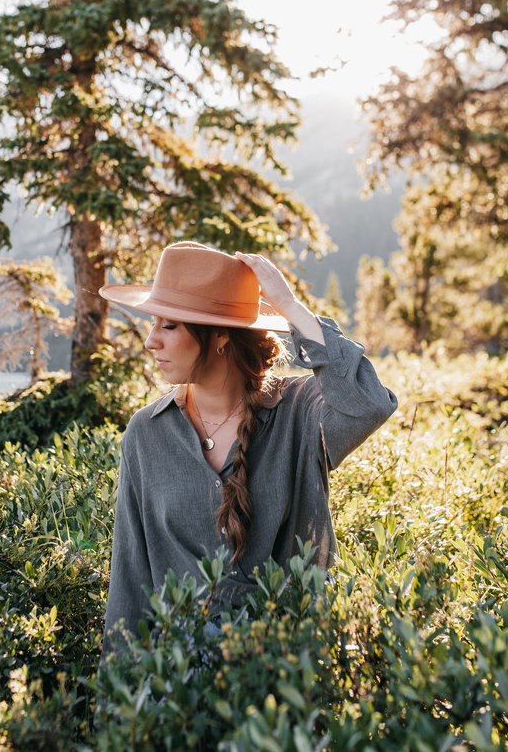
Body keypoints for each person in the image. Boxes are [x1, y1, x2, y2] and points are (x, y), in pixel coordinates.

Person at [98, 241, 397, 656]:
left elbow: (368, 404)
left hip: (283, 685)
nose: (151, 341)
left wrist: (290, 307)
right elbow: (130, 579)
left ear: (219, 334)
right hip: (178, 695)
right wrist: (119, 706)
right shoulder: (146, 434)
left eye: (168, 326)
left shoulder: (299, 413)